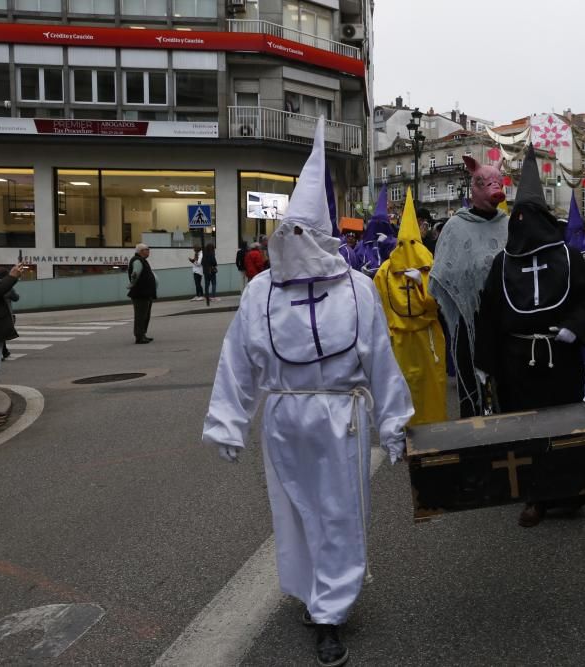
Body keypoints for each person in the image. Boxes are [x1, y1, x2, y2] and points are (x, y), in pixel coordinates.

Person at [203, 119, 413, 667]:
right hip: (283, 418)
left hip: (340, 416)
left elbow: (381, 362)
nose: (294, 244)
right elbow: (237, 360)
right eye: (288, 232)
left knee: (339, 512)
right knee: (293, 513)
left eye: (305, 233)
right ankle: (313, 594)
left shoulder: (359, 291)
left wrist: (395, 423)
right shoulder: (259, 293)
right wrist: (228, 421)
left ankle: (331, 612)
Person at [475, 145, 585, 528]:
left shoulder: (566, 256)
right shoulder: (503, 263)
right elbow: (490, 314)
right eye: (519, 217)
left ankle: (572, 491)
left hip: (559, 357)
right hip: (518, 362)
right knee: (525, 430)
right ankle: (534, 495)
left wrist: (575, 328)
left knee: (564, 425)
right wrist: (485, 362)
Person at [429, 155, 509, 418]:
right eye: (484, 183)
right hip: (468, 319)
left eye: (496, 182)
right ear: (473, 187)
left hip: (504, 321)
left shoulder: (508, 225)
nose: (492, 189)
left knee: (504, 385)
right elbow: (443, 271)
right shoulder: (455, 227)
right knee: (472, 383)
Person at [373, 189, 447, 425]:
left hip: (427, 339)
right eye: (404, 243)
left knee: (429, 386)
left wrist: (423, 283)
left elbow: (438, 303)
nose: (408, 249)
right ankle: (402, 431)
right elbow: (379, 304)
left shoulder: (430, 267)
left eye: (412, 243)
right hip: (399, 340)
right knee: (401, 386)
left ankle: (432, 429)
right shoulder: (385, 271)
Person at [357, 188, 396, 276]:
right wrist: (360, 271)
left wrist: (387, 242)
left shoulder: (394, 243)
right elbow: (354, 265)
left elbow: (399, 262)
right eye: (376, 224)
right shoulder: (361, 245)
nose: (379, 228)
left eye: (383, 225)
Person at [0, 263, 24, 377]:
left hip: (2, 318)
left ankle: (4, 352)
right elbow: (15, 298)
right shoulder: (4, 287)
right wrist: (12, 276)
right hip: (4, 316)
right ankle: (4, 353)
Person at [128, 243, 157, 344]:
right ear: (140, 251)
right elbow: (135, 273)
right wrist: (132, 283)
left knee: (145, 315)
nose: (148, 251)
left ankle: (143, 334)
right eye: (147, 249)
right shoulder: (137, 260)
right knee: (140, 315)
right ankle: (139, 336)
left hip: (145, 293)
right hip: (140, 293)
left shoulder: (142, 260)